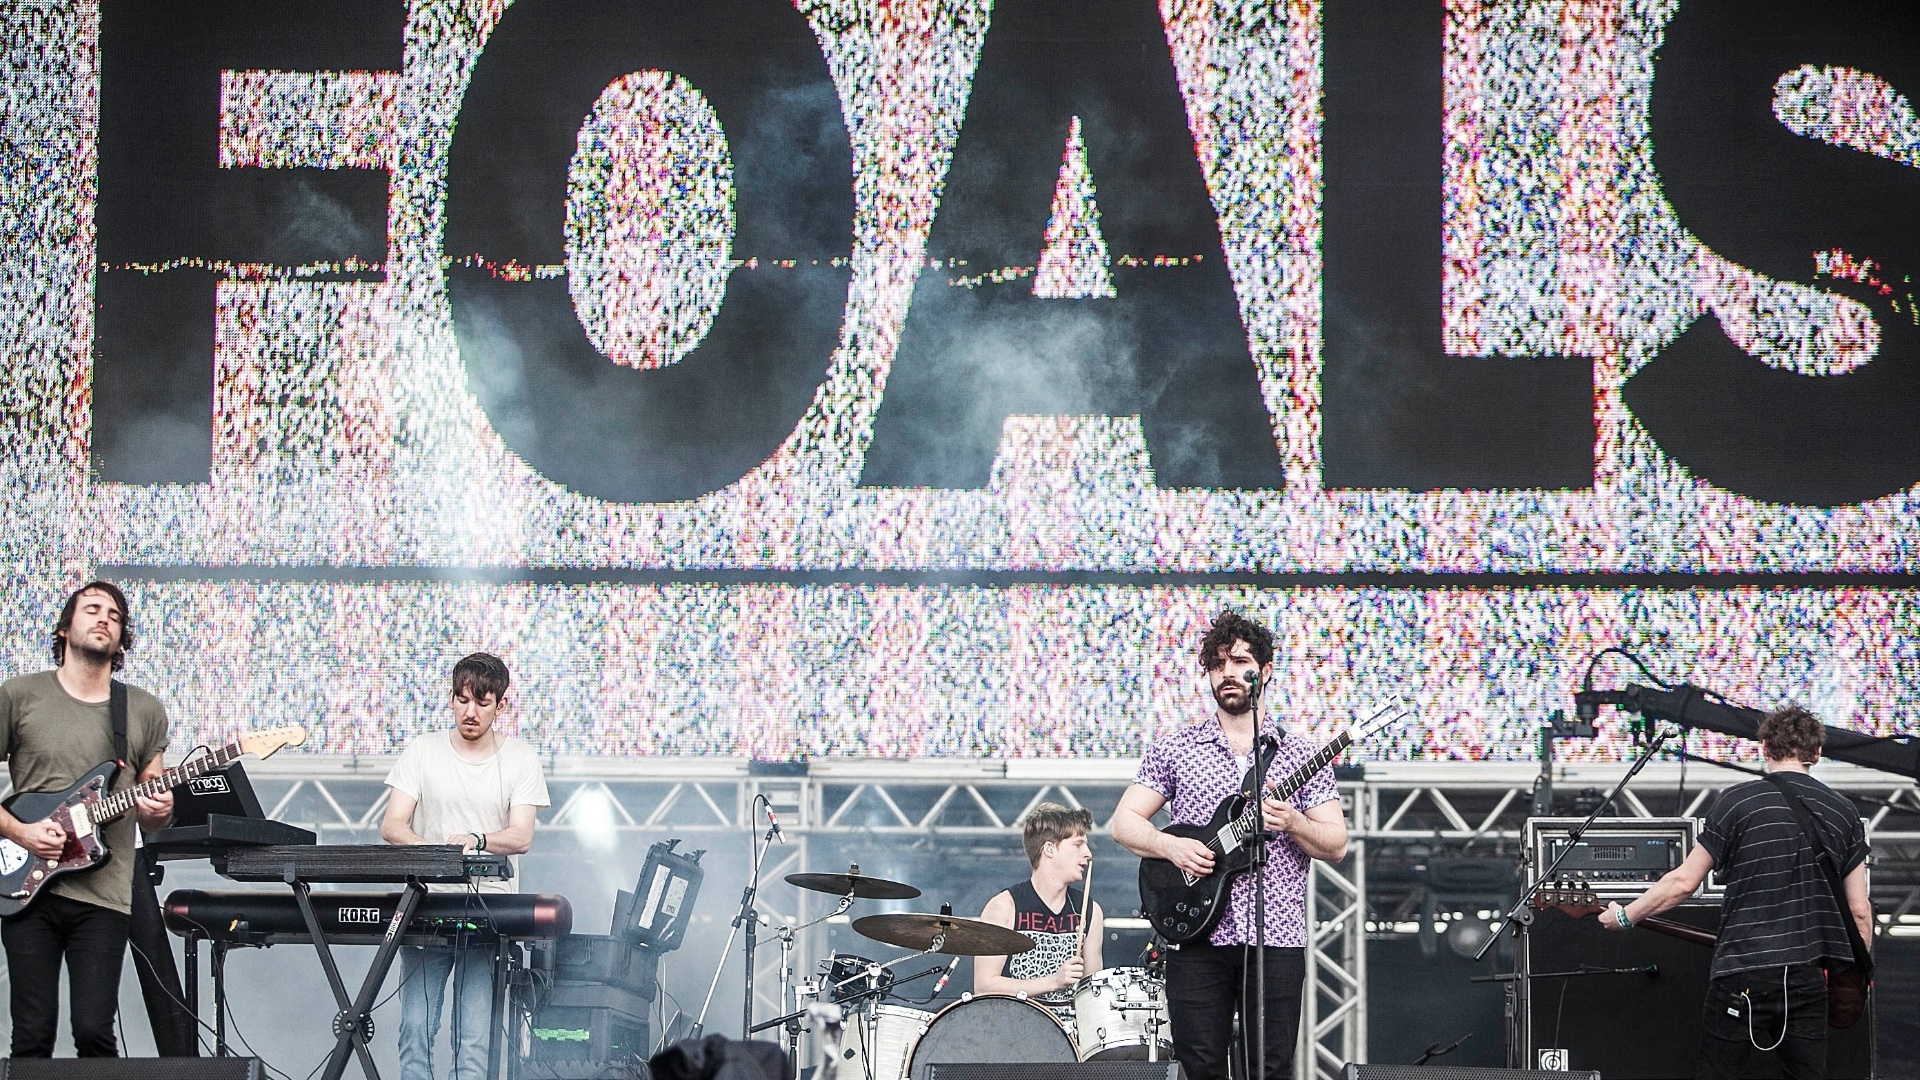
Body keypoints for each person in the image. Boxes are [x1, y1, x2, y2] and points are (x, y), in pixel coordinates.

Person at [1110, 611, 1348, 1080]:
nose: (1226, 673)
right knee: (1200, 1067)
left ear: (1266, 670)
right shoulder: (1177, 748)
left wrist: (1296, 822)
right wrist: (1170, 847)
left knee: (1272, 1067)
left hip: (1274, 937)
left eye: (1239, 661)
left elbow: (1335, 843)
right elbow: (1123, 823)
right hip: (1196, 934)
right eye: (1216, 664)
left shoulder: (1300, 753)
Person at [1597, 705, 1871, 1080]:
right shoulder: (1844, 813)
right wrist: (1859, 971)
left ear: (1764, 746)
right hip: (1808, 978)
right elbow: (1859, 910)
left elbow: (1683, 883)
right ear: (1817, 753)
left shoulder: (1737, 802)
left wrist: (1625, 915)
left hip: (1743, 972)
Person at [0, 581, 173, 1057]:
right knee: (32, 1035)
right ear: (64, 627)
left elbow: (152, 814)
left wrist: (160, 809)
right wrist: (23, 832)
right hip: (25, 887)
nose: (104, 619)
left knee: (94, 1031)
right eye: (92, 609)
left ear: (121, 641)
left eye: (115, 616)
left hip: (104, 894)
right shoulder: (18, 695)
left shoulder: (141, 709)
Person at [382, 652, 550, 1080]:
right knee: (415, 1030)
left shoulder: (521, 758)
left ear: (501, 705)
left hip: (488, 912)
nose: (470, 712)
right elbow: (392, 824)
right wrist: (435, 855)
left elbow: (522, 836)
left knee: (473, 1040)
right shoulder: (422, 750)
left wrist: (476, 841)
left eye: (482, 702)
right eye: (461, 700)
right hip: (426, 908)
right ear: (451, 698)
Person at [974, 802, 1106, 1009]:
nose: (1088, 853)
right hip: (1014, 1029)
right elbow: (984, 986)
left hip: (1071, 1035)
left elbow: (1094, 992)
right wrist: (1053, 982)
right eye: (1078, 844)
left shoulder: (1090, 911)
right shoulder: (1005, 907)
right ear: (1050, 849)